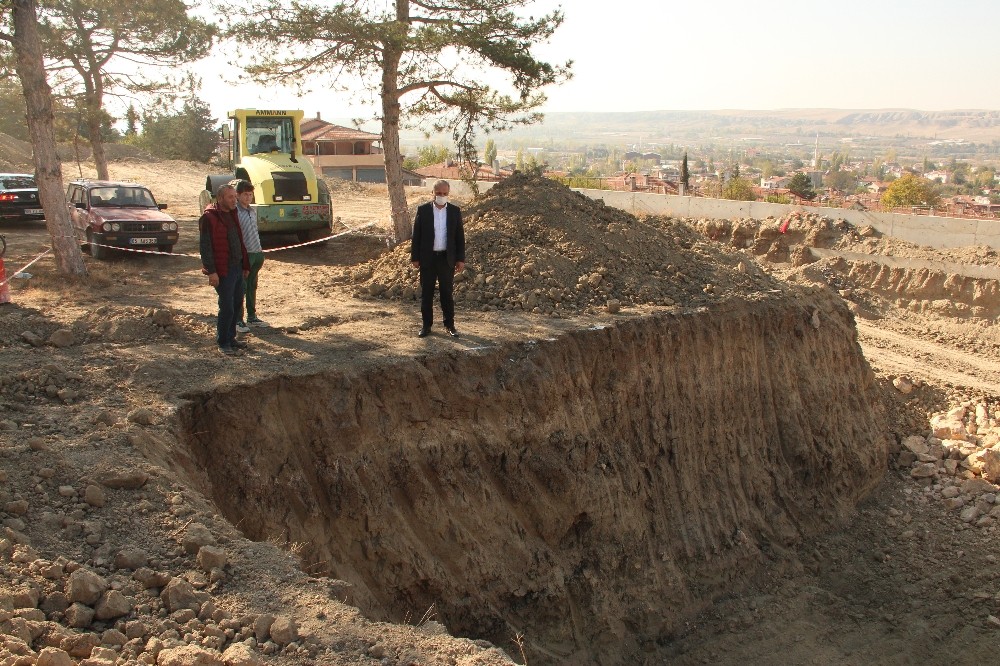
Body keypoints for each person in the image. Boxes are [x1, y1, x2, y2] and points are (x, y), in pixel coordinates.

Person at [199, 184, 250, 356]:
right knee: (227, 306)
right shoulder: (209, 217)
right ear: (220, 199)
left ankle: (231, 338)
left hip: (236, 267)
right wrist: (211, 271)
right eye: (230, 197)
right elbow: (205, 247)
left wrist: (245, 265)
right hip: (222, 270)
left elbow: (239, 241)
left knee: (236, 304)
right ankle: (223, 342)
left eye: (235, 197)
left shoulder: (233, 213)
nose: (234, 200)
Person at [410, 179, 465, 338]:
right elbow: (417, 236)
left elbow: (459, 237)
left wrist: (460, 259)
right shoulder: (423, 210)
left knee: (446, 293)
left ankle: (450, 325)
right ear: (432, 193)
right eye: (438, 193)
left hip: (446, 259)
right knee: (426, 293)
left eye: (445, 193)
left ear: (448, 194)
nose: (441, 196)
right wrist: (415, 257)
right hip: (427, 259)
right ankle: (426, 326)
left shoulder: (455, 211)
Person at [233, 180, 269, 333]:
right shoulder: (235, 212)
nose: (248, 197)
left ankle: (252, 316)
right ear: (238, 195)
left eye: (250, 194)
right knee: (241, 287)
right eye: (245, 194)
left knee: (252, 286)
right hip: (244, 255)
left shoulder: (252, 211)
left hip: (257, 252)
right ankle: (238, 319)